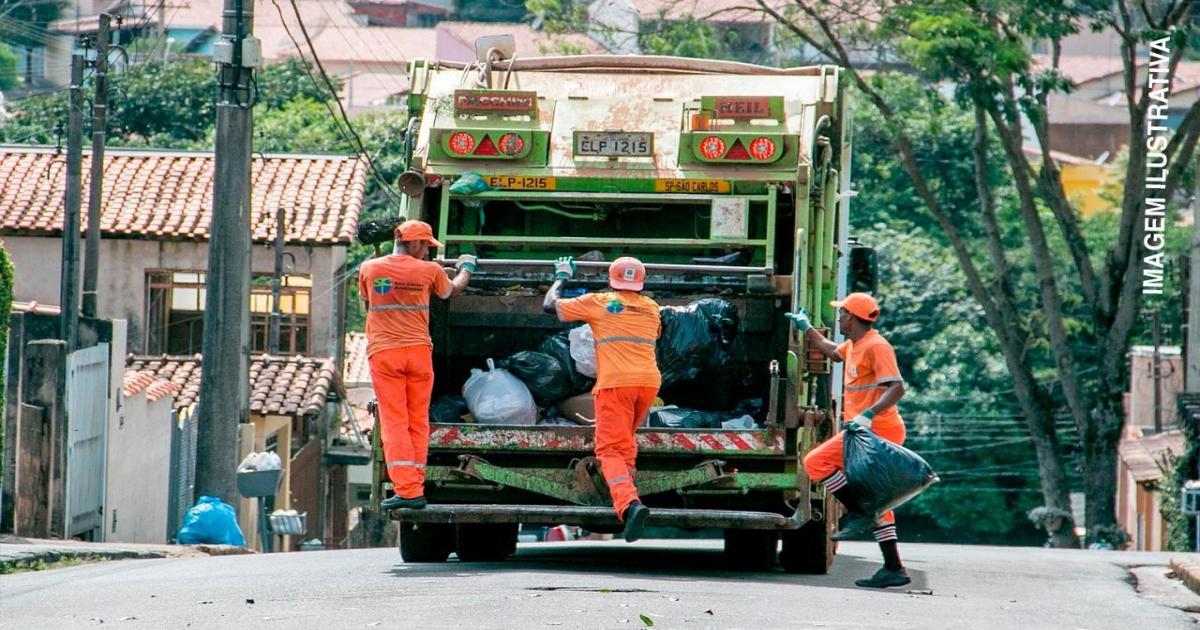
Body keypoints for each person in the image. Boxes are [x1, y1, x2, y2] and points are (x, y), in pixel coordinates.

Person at [786, 292, 910, 589]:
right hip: (864, 431)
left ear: (852, 317)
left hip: (876, 431)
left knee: (815, 462)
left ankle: (858, 513)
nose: (838, 317)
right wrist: (806, 328)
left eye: (841, 313)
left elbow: (897, 388)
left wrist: (868, 414)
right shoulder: (855, 345)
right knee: (880, 501)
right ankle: (893, 567)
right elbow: (831, 351)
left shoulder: (876, 346)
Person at [543, 255, 661, 543]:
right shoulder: (652, 307)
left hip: (615, 385)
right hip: (647, 383)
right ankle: (626, 493)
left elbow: (549, 306)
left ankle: (628, 505)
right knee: (626, 443)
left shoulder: (600, 302)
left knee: (608, 449)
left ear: (611, 279)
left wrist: (561, 276)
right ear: (641, 282)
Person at [360, 219, 476, 511]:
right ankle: (415, 483)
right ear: (412, 243)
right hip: (418, 355)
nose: (427, 251)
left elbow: (368, 302)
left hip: (385, 354)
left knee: (395, 422)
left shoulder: (370, 269)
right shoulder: (430, 271)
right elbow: (451, 292)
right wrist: (467, 268)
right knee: (417, 422)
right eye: (425, 245)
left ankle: (409, 490)